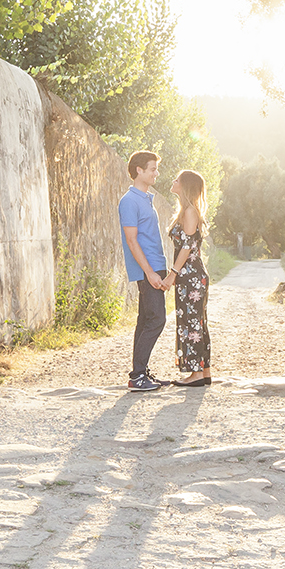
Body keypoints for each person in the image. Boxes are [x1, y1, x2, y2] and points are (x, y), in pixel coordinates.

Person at [119, 151, 168, 392]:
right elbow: (131, 240)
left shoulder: (146, 198)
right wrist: (149, 272)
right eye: (152, 169)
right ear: (139, 170)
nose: (156, 173)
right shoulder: (129, 201)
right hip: (147, 269)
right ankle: (137, 376)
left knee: (145, 320)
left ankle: (141, 372)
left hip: (155, 265)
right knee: (157, 319)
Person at [164, 169, 212, 386]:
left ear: (185, 186)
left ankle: (196, 374)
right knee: (197, 321)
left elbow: (186, 246)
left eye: (177, 180)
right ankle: (204, 371)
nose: (173, 182)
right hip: (190, 275)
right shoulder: (186, 211)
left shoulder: (189, 212)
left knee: (192, 322)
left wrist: (172, 274)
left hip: (190, 275)